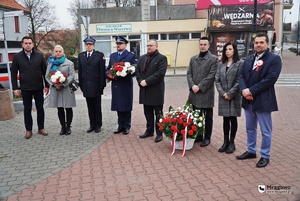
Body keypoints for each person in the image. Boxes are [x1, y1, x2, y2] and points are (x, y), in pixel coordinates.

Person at [237, 32, 282, 168]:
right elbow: (241, 76)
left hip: (263, 100)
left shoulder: (274, 59)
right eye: (256, 42)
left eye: (262, 42)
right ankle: (251, 151)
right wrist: (245, 91)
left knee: (265, 130)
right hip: (248, 100)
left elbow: (270, 79)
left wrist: (251, 91)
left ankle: (265, 155)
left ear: (267, 44)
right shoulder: (249, 59)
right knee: (250, 128)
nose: (258, 45)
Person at [11, 36, 49, 139]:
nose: (28, 45)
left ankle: (41, 128)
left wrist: (47, 85)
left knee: (40, 108)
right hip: (25, 88)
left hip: (38, 87)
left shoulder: (39, 56)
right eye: (26, 43)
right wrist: (15, 88)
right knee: (27, 109)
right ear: (22, 44)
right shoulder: (17, 57)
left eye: (30, 43)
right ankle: (28, 130)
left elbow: (45, 72)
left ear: (32, 44)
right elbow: (13, 73)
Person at [187, 36, 218, 147]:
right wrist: (192, 85)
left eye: (205, 44)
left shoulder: (214, 59)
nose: (202, 46)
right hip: (194, 93)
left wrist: (199, 86)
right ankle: (199, 135)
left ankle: (207, 137)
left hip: (206, 93)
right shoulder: (193, 59)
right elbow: (189, 74)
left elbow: (211, 76)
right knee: (196, 116)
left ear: (209, 46)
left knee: (207, 117)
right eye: (201, 44)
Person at [136, 39, 167, 143]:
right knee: (147, 112)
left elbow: (160, 73)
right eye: (148, 45)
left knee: (158, 113)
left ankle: (159, 133)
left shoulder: (161, 58)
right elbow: (137, 72)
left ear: (156, 46)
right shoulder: (142, 58)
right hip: (144, 90)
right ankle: (149, 130)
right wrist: (140, 81)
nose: (149, 47)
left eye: (151, 45)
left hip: (156, 91)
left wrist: (147, 81)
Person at [215, 42, 243, 154]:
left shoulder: (240, 63)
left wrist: (230, 93)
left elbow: (239, 80)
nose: (227, 51)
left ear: (234, 50)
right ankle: (225, 142)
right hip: (223, 96)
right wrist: (222, 93)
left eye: (230, 49)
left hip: (234, 96)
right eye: (226, 49)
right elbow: (216, 80)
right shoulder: (221, 64)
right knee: (225, 119)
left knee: (233, 118)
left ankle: (232, 143)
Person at [107, 36, 137, 135]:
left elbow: (135, 69)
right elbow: (108, 69)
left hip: (126, 84)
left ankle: (127, 126)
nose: (118, 45)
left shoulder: (130, 56)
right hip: (116, 84)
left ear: (125, 45)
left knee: (126, 105)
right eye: (117, 44)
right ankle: (120, 125)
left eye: (120, 44)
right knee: (118, 105)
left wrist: (127, 72)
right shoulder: (113, 56)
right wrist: (109, 75)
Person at [45, 45, 76, 135]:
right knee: (60, 109)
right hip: (56, 89)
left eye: (59, 51)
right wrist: (53, 83)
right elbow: (47, 76)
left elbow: (71, 75)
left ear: (63, 52)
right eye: (56, 51)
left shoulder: (69, 63)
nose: (58, 53)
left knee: (68, 108)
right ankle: (63, 127)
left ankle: (68, 126)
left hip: (66, 89)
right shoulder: (51, 63)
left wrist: (63, 83)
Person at [78, 37, 106, 133]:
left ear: (93, 45)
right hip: (86, 85)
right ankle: (92, 124)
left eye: (90, 44)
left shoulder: (99, 55)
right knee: (89, 106)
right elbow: (80, 71)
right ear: (85, 45)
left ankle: (98, 124)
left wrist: (102, 85)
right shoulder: (81, 56)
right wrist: (81, 84)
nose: (88, 46)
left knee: (97, 106)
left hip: (96, 85)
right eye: (87, 44)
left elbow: (102, 71)